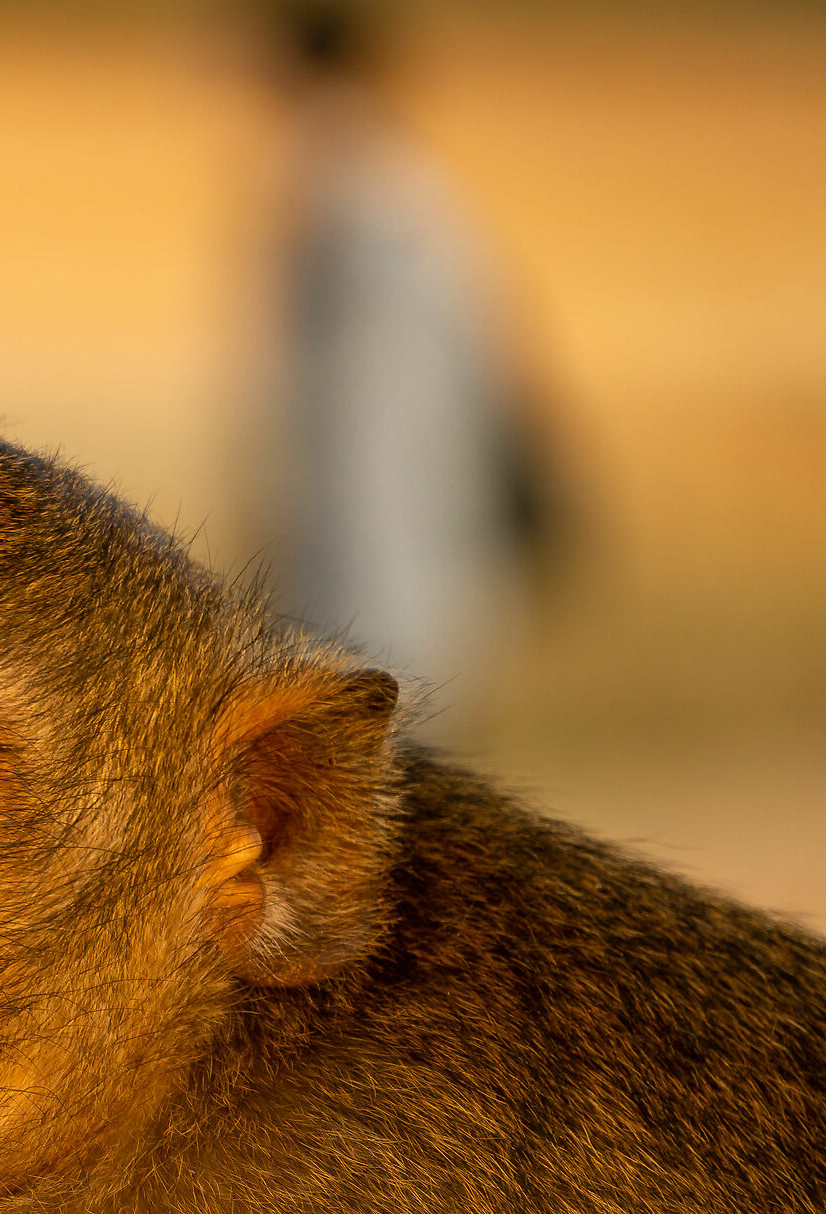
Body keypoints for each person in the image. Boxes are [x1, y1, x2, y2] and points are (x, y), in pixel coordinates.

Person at [263, 3, 559, 729]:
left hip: (379, 537)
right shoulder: (410, 186)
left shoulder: (347, 187)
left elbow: (359, 413)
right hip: (429, 522)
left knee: (384, 743)